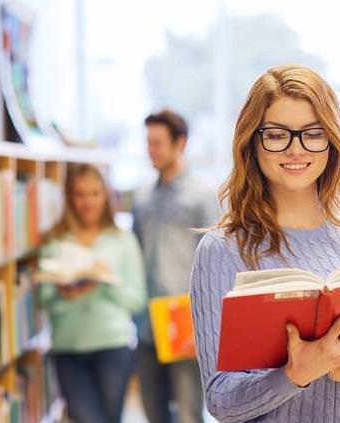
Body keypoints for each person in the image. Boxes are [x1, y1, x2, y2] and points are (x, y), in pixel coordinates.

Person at [190, 64, 340, 423]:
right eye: (277, 134)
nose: (296, 149)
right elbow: (221, 401)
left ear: (331, 140)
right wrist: (295, 374)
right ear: (253, 141)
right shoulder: (222, 249)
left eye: (312, 133)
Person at [38, 164, 147, 423]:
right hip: (67, 349)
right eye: (80, 194)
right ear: (69, 197)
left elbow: (136, 299)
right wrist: (65, 294)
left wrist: (106, 281)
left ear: (105, 196)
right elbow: (43, 299)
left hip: (112, 346)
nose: (88, 202)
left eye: (95, 193)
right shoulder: (55, 241)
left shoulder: (122, 240)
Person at [132, 109, 218, 423]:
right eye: (148, 143)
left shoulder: (202, 196)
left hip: (185, 321)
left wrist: (207, 324)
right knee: (152, 411)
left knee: (187, 413)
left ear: (180, 142)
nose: (151, 150)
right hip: (145, 322)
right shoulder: (142, 196)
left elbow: (215, 262)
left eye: (157, 143)